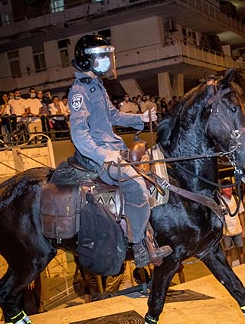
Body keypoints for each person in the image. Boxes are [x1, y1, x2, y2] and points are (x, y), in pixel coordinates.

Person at [67, 34, 172, 268]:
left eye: (107, 55)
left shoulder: (97, 86)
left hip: (113, 148)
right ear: (86, 60)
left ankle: (148, 235)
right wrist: (102, 154)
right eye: (101, 56)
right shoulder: (78, 91)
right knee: (135, 187)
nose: (107, 60)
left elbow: (113, 115)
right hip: (96, 155)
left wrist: (140, 118)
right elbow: (78, 133)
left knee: (152, 174)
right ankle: (138, 247)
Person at [219, 179, 245, 266]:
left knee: (240, 250)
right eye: (225, 188)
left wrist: (243, 229)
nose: (228, 189)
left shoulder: (236, 199)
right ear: (222, 189)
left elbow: (241, 215)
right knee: (228, 252)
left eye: (229, 187)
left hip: (237, 229)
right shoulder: (219, 201)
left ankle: (243, 267)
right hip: (226, 232)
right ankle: (230, 270)